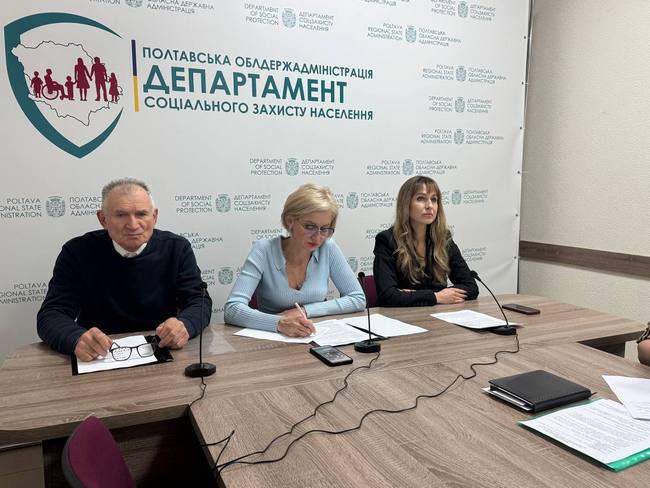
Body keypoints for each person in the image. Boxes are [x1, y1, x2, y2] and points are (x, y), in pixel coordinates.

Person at [37, 178, 211, 360]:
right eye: (121, 215)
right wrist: (75, 338)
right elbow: (52, 314)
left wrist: (185, 324)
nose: (133, 225)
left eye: (141, 214)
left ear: (154, 217)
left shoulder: (177, 248)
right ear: (103, 219)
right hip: (99, 357)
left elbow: (199, 301)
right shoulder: (77, 252)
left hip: (162, 351)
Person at [224, 183, 365, 337]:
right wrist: (279, 323)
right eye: (310, 226)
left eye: (324, 229)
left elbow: (357, 298)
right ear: (290, 220)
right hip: (272, 341)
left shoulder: (328, 247)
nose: (318, 237)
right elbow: (232, 309)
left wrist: (305, 311)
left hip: (316, 336)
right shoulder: (263, 250)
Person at [373, 175, 478, 307]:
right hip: (400, 317)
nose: (429, 206)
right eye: (421, 199)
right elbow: (388, 296)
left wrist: (413, 296)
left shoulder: (443, 238)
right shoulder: (387, 240)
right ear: (406, 204)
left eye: (434, 199)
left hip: (436, 315)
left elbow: (471, 287)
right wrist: (437, 296)